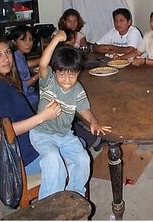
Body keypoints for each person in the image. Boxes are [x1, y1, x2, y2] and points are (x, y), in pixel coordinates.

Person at [29, 30, 111, 199]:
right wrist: (56, 39)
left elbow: (84, 109)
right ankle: (50, 204)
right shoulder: (49, 81)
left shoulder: (77, 89)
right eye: (62, 74)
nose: (67, 80)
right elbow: (44, 64)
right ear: (55, 72)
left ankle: (75, 198)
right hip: (42, 134)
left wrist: (93, 122)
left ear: (78, 72)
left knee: (83, 159)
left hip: (65, 135)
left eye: (72, 75)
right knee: (53, 160)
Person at [0, 35, 61, 178]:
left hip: (21, 146)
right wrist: (42, 117)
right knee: (78, 144)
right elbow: (8, 130)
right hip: (22, 159)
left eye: (8, 52)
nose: (6, 59)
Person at [8, 25, 40, 111]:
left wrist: (43, 59)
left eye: (30, 39)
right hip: (27, 100)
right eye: (23, 40)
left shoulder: (18, 55)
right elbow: (22, 86)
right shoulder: (14, 59)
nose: (28, 43)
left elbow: (25, 64)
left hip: (30, 95)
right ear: (14, 41)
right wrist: (38, 75)